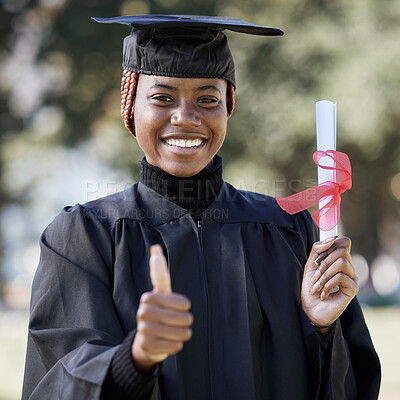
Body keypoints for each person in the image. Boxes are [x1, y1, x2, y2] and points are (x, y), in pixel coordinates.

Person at [22, 15, 381, 400]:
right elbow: (58, 379)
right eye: (162, 98)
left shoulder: (289, 232)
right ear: (130, 107)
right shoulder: (83, 238)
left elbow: (349, 386)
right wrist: (136, 358)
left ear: (228, 109)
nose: (186, 117)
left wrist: (323, 331)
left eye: (207, 99)